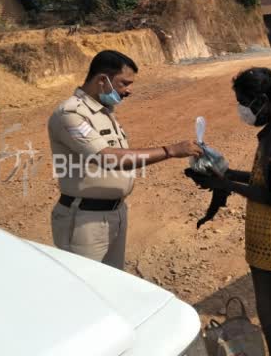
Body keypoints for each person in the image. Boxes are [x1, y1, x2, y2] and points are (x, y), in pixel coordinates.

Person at [185, 67, 271, 356]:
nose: (242, 110)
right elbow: (262, 181)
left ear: (261, 99)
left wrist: (225, 183)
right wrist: (222, 174)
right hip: (267, 241)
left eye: (243, 103)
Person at [48, 50, 202, 270]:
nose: (129, 90)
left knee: (112, 287)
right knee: (85, 290)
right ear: (102, 80)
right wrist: (170, 150)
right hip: (85, 219)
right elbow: (107, 158)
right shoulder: (70, 114)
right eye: (124, 83)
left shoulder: (103, 111)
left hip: (114, 213)